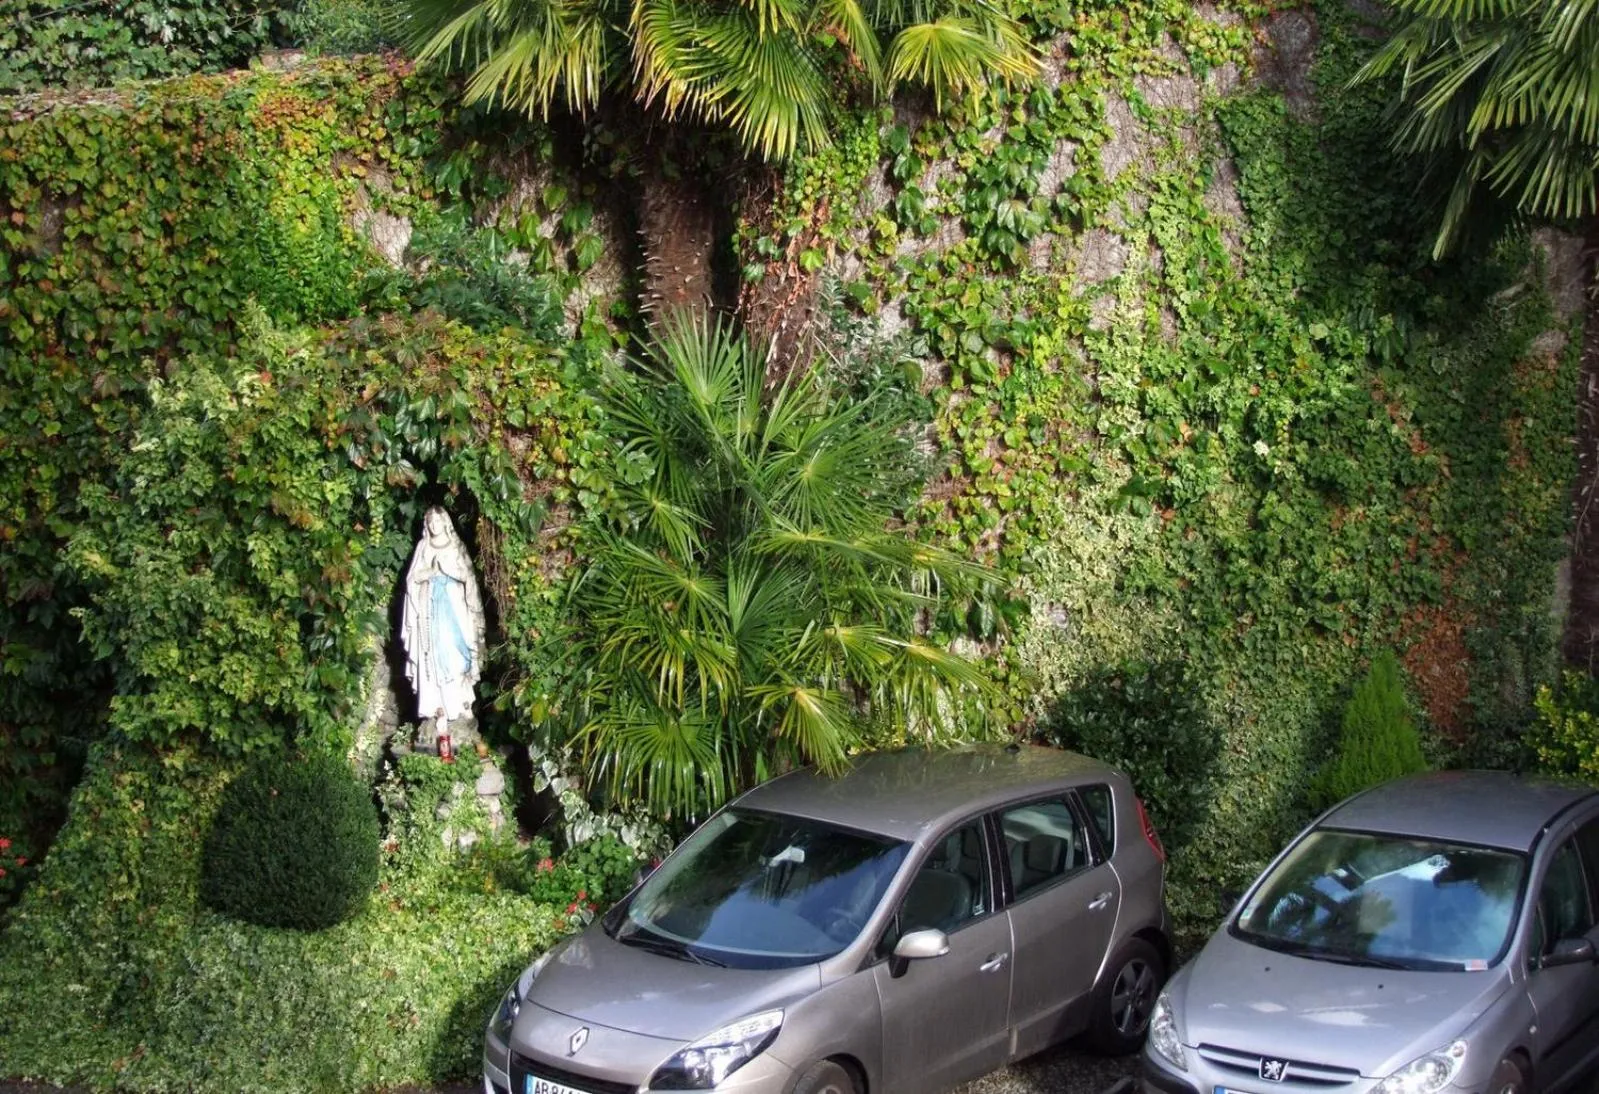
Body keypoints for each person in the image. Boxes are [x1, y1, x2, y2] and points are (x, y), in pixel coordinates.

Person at [400, 506, 486, 735]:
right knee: (433, 660)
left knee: (457, 656)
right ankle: (437, 709)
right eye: (430, 522)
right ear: (426, 525)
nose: (434, 525)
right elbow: (412, 579)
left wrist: (447, 570)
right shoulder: (423, 546)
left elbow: (468, 578)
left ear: (446, 522)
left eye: (438, 521)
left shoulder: (457, 546)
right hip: (430, 610)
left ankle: (461, 704)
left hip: (455, 609)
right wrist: (428, 573)